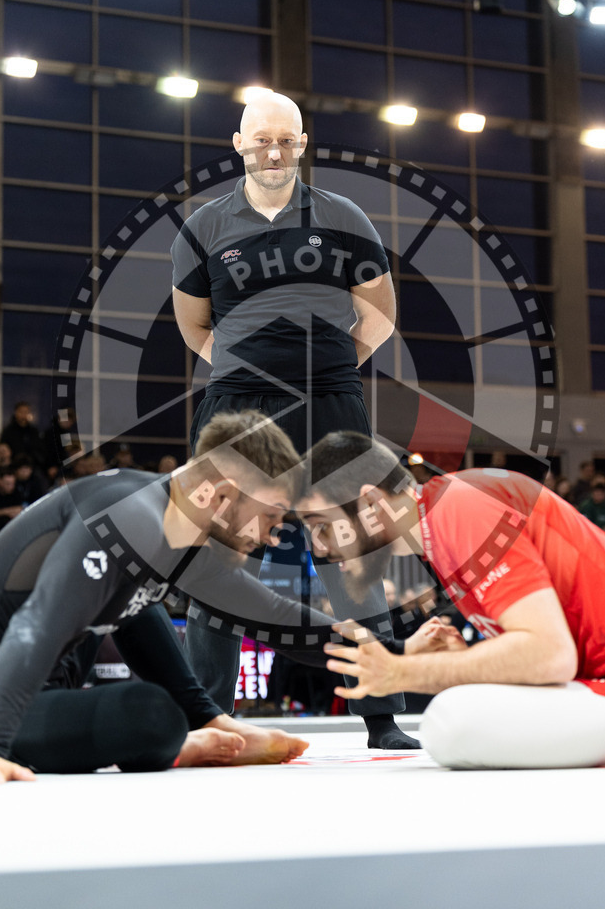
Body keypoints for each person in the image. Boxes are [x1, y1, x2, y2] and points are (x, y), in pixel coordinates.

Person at [171, 91, 415, 750]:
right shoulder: (205, 226)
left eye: (285, 139)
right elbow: (193, 322)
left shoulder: (343, 216)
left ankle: (382, 716)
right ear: (238, 144)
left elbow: (379, 313)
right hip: (238, 405)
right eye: (260, 140)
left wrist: (334, 364)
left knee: (354, 553)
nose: (273, 150)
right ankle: (208, 719)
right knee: (221, 558)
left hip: (331, 398)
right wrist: (245, 369)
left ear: (302, 144)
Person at [0, 411, 332, 785]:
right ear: (222, 495)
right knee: (149, 714)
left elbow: (274, 616)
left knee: (140, 596)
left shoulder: (175, 527)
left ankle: (206, 718)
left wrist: (384, 651)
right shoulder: (128, 515)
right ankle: (179, 739)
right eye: (270, 515)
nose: (273, 535)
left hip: (46, 692)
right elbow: (36, 624)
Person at [297, 432, 605, 769]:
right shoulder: (444, 516)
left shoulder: (460, 506)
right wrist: (467, 661)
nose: (321, 547)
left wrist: (403, 672)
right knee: (460, 715)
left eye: (324, 525)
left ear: (372, 503)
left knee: (450, 723)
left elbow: (551, 655)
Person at [0, 401, 45, 470]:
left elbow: (40, 449)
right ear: (15, 413)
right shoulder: (8, 431)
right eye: (21, 412)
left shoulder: (34, 431)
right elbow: (2, 447)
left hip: (32, 466)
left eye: (26, 412)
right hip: (13, 466)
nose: (23, 415)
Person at [0, 467, 25, 540]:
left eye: (12, 484)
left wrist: (4, 512)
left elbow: (19, 508)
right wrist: (7, 512)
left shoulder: (16, 491)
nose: (11, 487)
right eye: (7, 484)